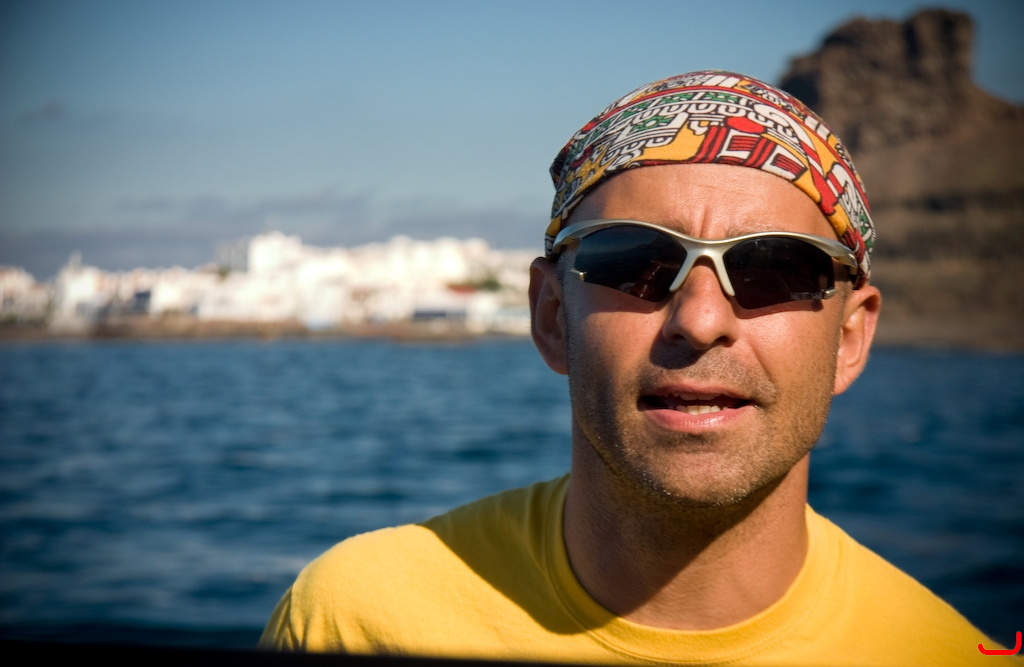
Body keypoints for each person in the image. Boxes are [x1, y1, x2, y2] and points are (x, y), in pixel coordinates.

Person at [260, 71, 1015, 665]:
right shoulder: (358, 621)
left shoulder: (946, 656)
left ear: (849, 337)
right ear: (552, 317)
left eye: (775, 269)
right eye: (635, 260)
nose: (701, 321)